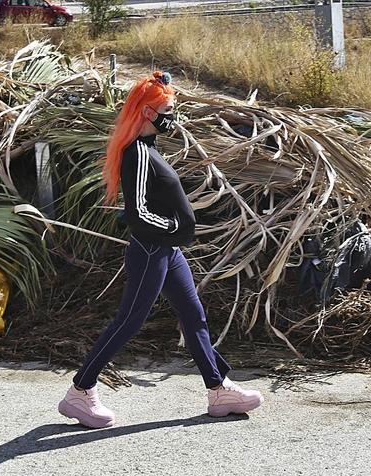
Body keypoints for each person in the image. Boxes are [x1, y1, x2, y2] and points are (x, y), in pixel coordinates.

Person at [58, 71, 263, 428]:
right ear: (148, 113)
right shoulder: (136, 153)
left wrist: (176, 234)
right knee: (129, 321)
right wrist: (173, 229)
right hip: (152, 250)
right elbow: (137, 212)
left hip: (168, 252)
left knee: (193, 315)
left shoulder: (151, 148)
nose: (174, 115)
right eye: (168, 108)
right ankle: (80, 392)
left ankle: (219, 389)